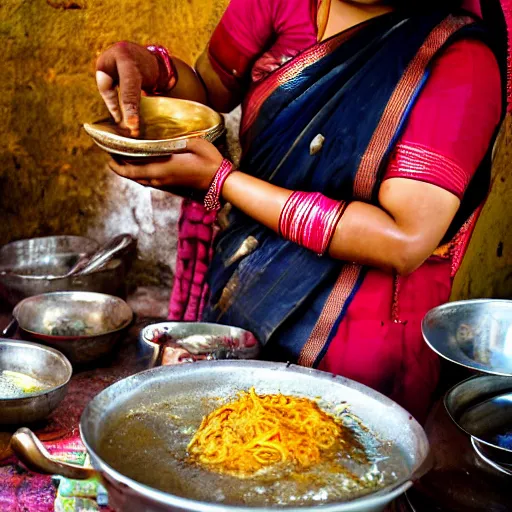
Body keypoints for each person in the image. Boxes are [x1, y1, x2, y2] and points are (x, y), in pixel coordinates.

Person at [96, 0, 510, 421]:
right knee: (221, 441)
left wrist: (223, 184)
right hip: (247, 285)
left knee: (332, 460)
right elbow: (208, 92)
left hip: (356, 336)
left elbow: (403, 239)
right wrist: (152, 68)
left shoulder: (460, 60)